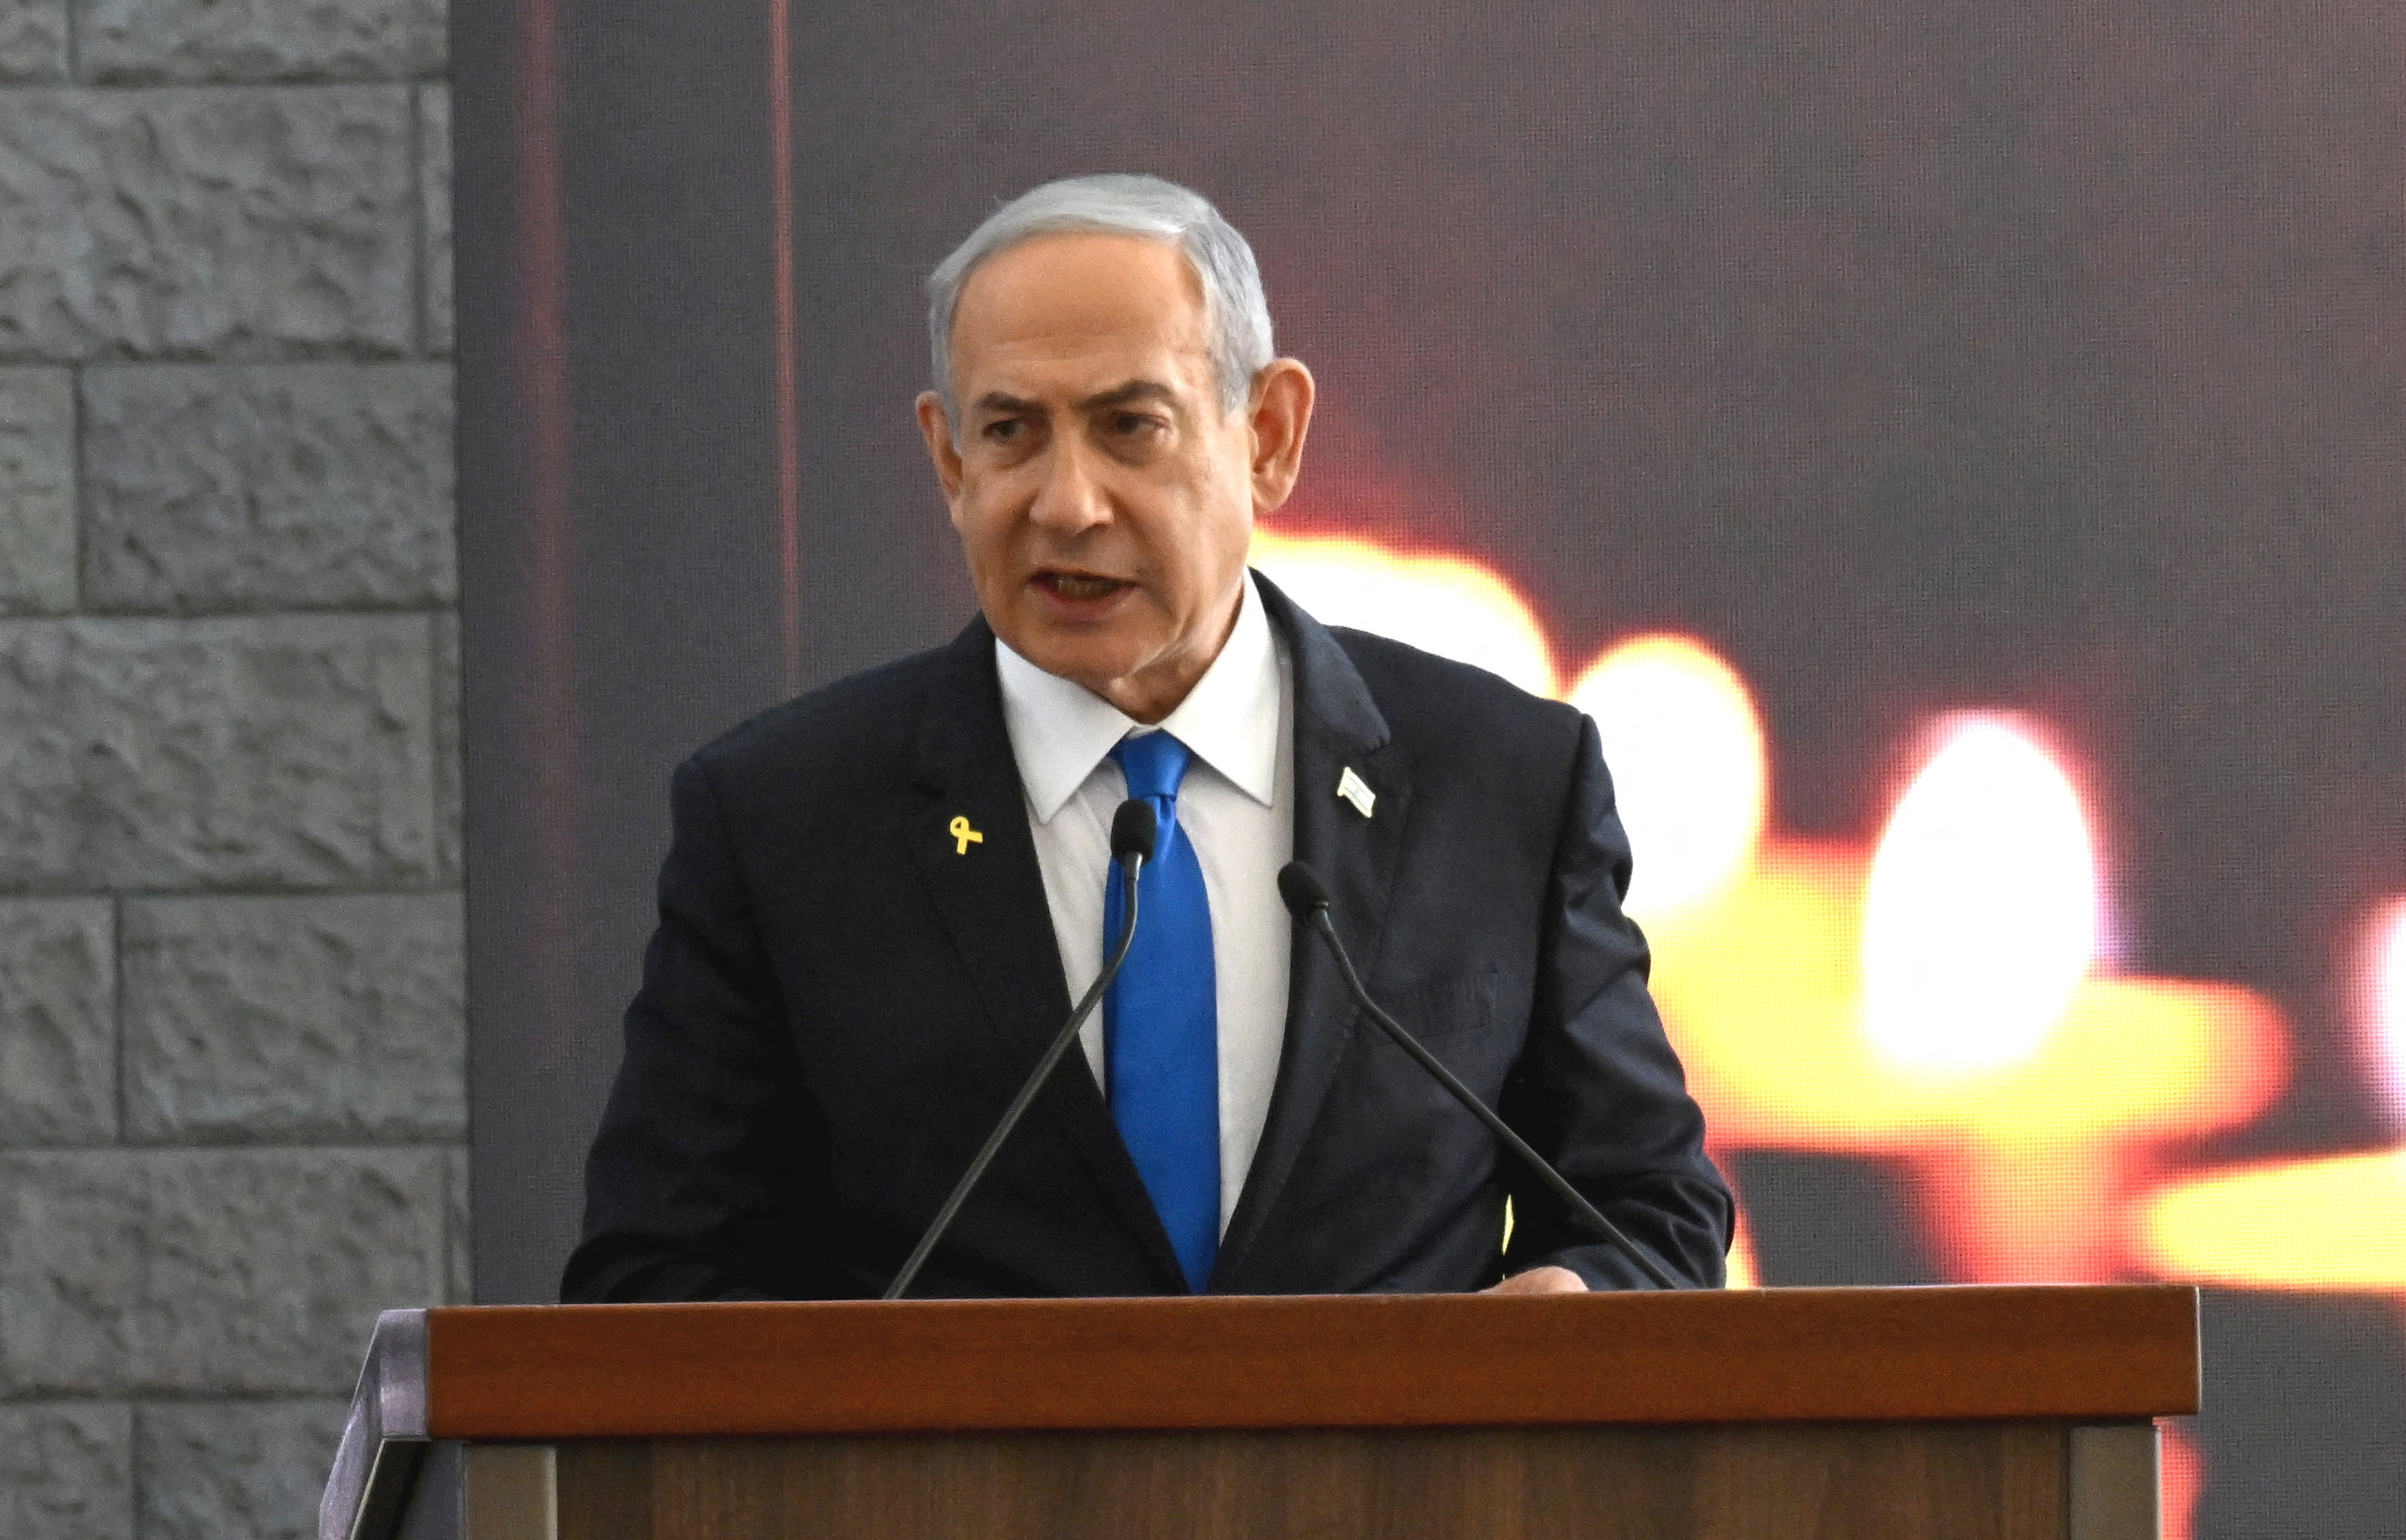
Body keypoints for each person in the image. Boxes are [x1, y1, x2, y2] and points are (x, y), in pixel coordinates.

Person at [561, 174, 1732, 1302]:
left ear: (1268, 435)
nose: (1067, 502)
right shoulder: (783, 821)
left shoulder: (1501, 781)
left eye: (1130, 427)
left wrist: (1571, 1298)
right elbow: (655, 1277)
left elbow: (1649, 1208)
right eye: (1011, 433)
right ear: (948, 459)